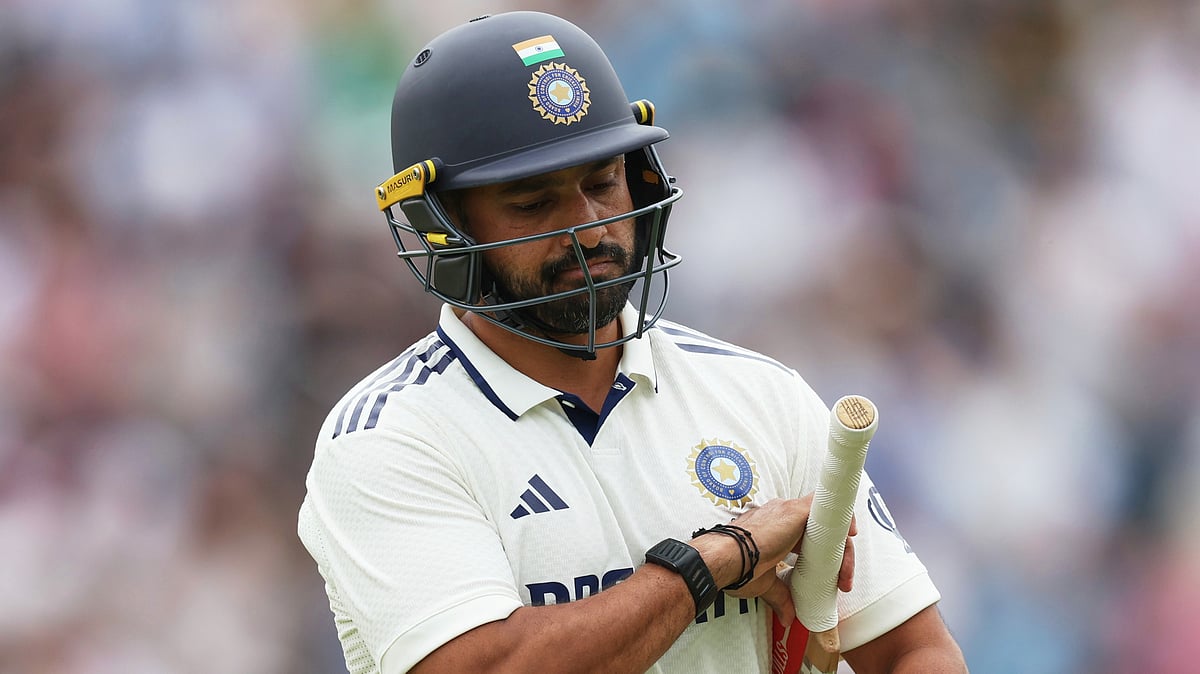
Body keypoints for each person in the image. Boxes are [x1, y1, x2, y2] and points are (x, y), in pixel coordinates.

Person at [298, 10, 968, 674]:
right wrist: (714, 560)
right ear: (441, 223)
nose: (590, 230)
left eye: (602, 183)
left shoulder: (761, 397)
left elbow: (915, 650)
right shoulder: (386, 440)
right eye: (534, 204)